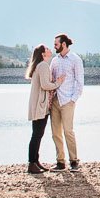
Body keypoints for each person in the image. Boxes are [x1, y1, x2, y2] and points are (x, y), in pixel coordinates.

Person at [47, 32, 85, 170]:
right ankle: (60, 162)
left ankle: (74, 161)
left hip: (68, 101)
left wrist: (73, 99)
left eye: (56, 44)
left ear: (63, 44)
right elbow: (51, 79)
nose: (54, 46)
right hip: (56, 101)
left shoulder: (75, 59)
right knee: (55, 132)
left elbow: (80, 82)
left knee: (68, 131)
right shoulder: (55, 60)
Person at [24, 44, 56, 174]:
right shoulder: (43, 65)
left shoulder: (39, 65)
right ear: (43, 53)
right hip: (40, 105)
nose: (50, 50)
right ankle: (32, 164)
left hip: (38, 104)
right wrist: (58, 83)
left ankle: (35, 162)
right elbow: (45, 85)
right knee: (37, 135)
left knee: (37, 134)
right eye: (47, 49)